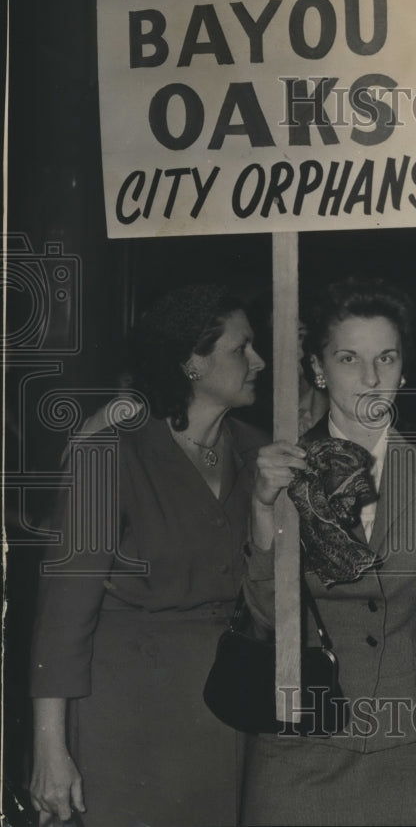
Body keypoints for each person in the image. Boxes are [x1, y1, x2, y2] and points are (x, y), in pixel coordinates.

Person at [240, 277, 416, 827]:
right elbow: (267, 614)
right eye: (349, 358)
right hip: (302, 749)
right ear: (318, 369)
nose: (370, 378)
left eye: (386, 358)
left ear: (404, 367)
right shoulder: (284, 468)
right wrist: (264, 509)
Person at [29, 284, 268, 827]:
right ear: (191, 362)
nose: (258, 361)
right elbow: (60, 623)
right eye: (240, 348)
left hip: (228, 717)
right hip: (127, 722)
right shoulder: (108, 452)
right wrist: (50, 750)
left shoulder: (259, 453)